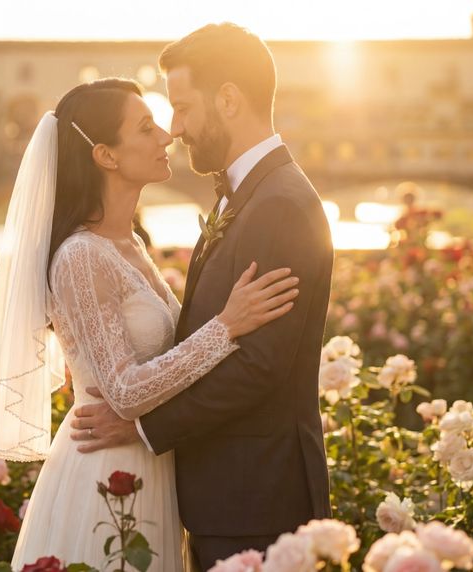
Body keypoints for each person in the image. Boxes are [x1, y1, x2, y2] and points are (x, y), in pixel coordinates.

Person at [0, 72, 300, 569]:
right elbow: (121, 391)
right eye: (146, 128)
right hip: (106, 472)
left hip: (151, 465)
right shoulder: (80, 255)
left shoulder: (132, 246)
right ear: (106, 155)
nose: (167, 136)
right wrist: (225, 326)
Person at [70, 23, 334, 568]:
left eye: (183, 107)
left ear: (229, 99)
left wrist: (143, 427)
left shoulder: (278, 204)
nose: (176, 128)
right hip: (229, 496)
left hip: (256, 498)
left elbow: (261, 364)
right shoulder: (248, 196)